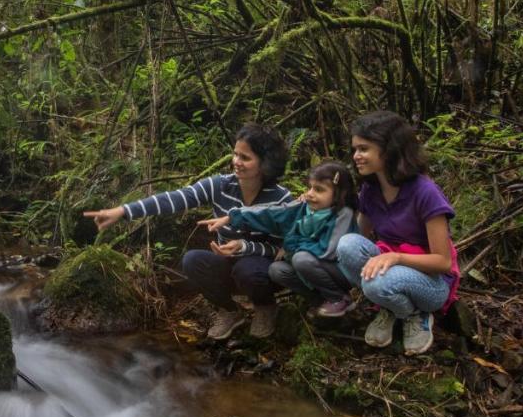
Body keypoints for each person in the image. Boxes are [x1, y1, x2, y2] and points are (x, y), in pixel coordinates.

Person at [83, 124, 291, 339]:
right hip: (228, 263)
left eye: (245, 158)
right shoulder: (220, 185)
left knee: (248, 268)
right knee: (193, 260)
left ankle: (266, 308)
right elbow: (174, 198)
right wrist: (123, 211)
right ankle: (229, 311)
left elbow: (281, 249)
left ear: (265, 164)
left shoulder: (280, 199)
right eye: (235, 154)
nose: (236, 162)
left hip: (261, 271)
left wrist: (245, 247)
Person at [336, 111, 459, 356]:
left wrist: (396, 258)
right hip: (392, 272)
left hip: (431, 283)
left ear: (389, 148)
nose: (356, 156)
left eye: (363, 149)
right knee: (346, 245)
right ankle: (391, 307)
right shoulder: (371, 190)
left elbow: (443, 262)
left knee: (378, 282)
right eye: (355, 149)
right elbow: (357, 237)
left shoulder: (425, 192)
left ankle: (415, 315)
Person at [199, 162, 359, 319]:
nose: (310, 193)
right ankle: (319, 302)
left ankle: (340, 298)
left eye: (319, 190)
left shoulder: (343, 214)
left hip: (337, 271)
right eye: (310, 187)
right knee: (277, 270)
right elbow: (272, 215)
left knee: (300, 259)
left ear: (339, 194)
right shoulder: (304, 207)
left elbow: (327, 251)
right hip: (311, 266)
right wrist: (232, 217)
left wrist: (289, 246)